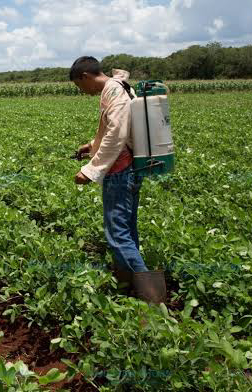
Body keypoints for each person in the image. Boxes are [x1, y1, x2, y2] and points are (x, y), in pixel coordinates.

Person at [70, 56, 166, 304]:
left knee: (117, 234)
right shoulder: (121, 86)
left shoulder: (113, 90)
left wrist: (91, 170)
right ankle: (128, 286)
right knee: (127, 230)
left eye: (80, 87)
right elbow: (120, 128)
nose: (83, 92)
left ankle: (152, 297)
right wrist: (91, 146)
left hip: (120, 171)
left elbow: (117, 134)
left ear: (86, 77)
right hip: (130, 169)